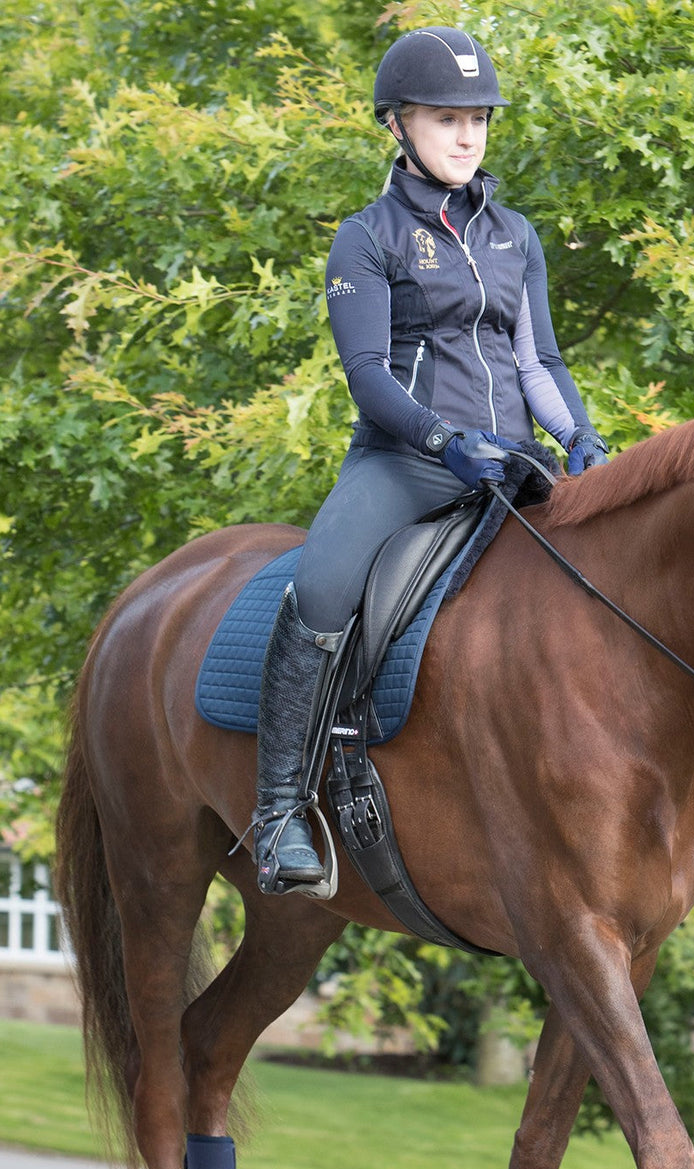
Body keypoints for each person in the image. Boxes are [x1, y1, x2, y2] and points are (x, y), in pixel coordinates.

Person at [251, 26, 611, 896]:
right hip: (407, 464)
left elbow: (537, 363)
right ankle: (279, 816)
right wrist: (449, 442)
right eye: (448, 118)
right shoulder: (365, 239)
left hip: (516, 468)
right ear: (399, 125)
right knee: (326, 586)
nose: (467, 137)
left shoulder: (515, 236)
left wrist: (583, 438)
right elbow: (369, 378)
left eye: (478, 119)